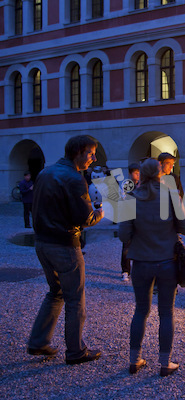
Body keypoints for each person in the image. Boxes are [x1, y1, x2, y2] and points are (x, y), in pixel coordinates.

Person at [27, 135, 104, 364]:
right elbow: (85, 218)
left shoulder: (45, 172)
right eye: (91, 153)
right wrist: (101, 211)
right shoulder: (74, 178)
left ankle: (38, 341)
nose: (94, 158)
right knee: (74, 299)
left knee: (56, 292)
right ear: (79, 152)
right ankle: (76, 351)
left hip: (42, 243)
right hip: (65, 246)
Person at [118, 159, 185, 376]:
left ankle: (134, 360)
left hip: (141, 261)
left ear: (141, 174)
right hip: (168, 261)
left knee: (140, 310)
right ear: (160, 173)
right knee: (166, 312)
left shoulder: (130, 198)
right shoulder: (171, 195)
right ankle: (165, 363)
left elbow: (123, 235)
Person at [120, 163, 140, 282]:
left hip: (138, 218)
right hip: (128, 217)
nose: (138, 175)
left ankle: (136, 270)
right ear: (130, 173)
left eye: (139, 173)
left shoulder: (141, 185)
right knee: (126, 246)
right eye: (136, 173)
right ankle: (125, 270)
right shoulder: (126, 184)